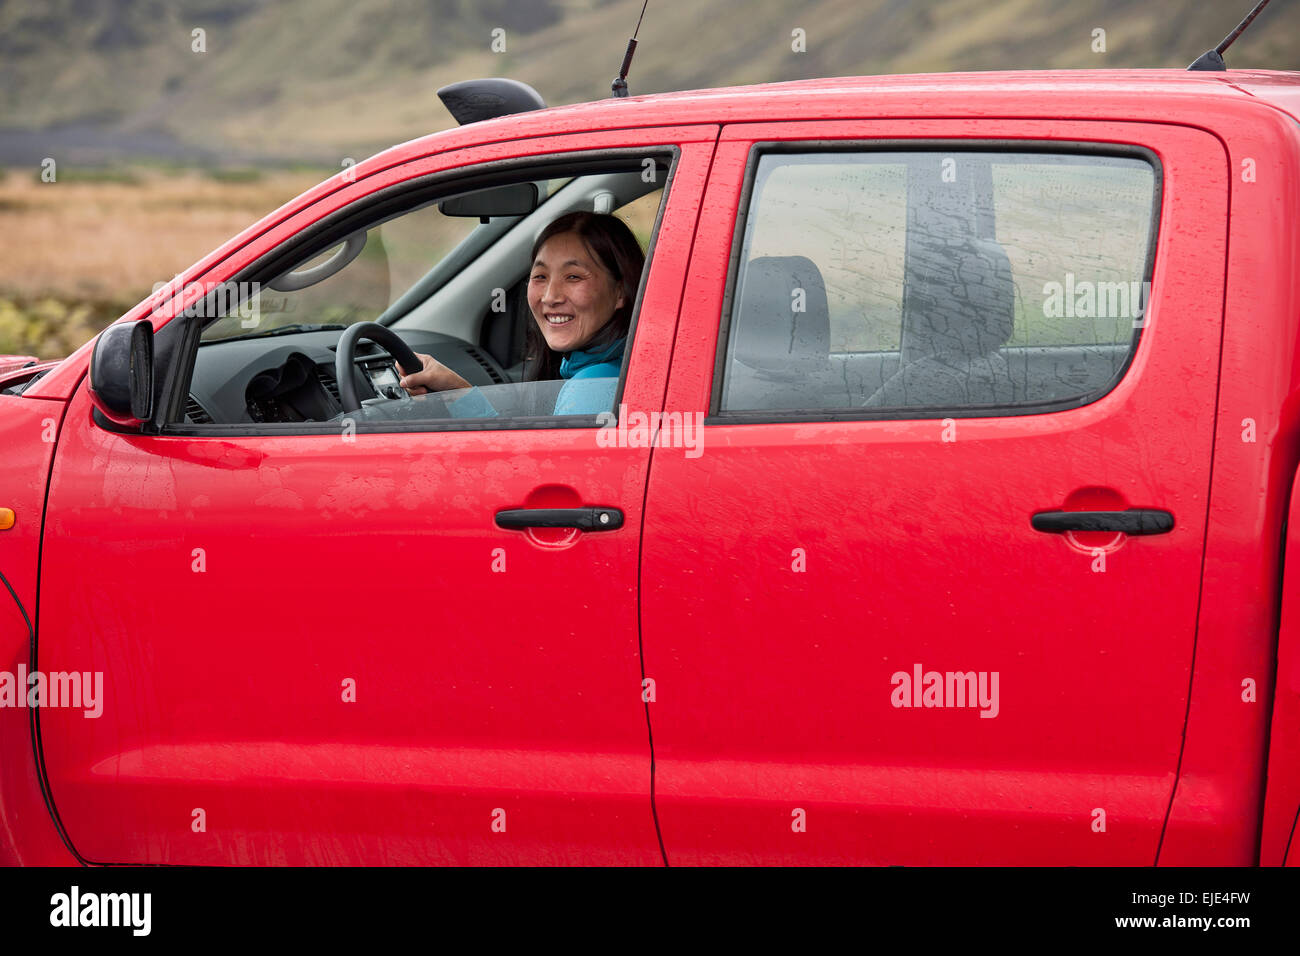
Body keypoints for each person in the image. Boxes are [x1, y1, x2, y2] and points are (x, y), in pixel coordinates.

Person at [398, 211, 644, 416]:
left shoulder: (593, 388)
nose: (550, 296)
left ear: (621, 292)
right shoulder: (622, 366)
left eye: (573, 277)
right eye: (540, 277)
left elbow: (532, 474)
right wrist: (456, 392)